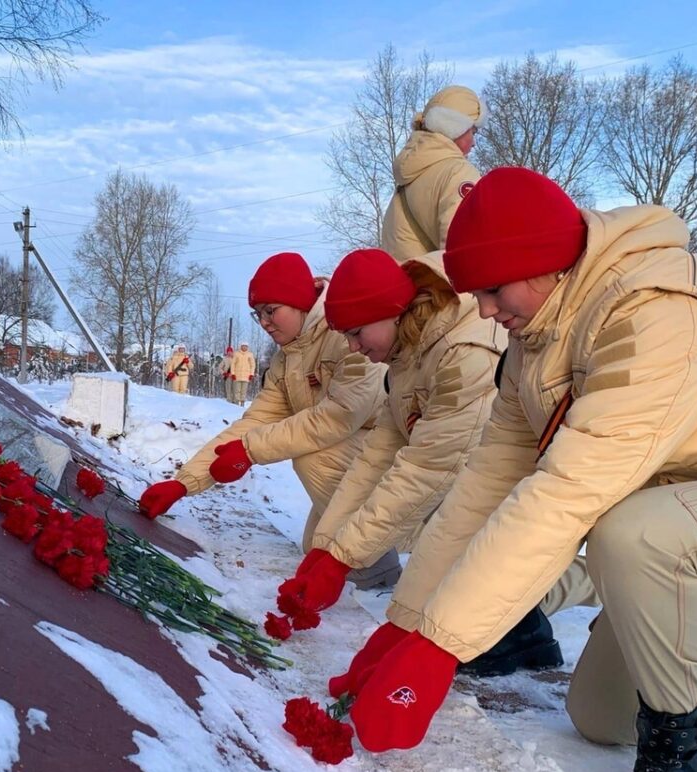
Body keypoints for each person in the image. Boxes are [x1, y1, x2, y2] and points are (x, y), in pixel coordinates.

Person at [333, 167, 697, 772]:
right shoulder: (538, 340)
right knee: (601, 715)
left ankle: (676, 755)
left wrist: (438, 651)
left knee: (630, 532)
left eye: (493, 292)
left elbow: (565, 493)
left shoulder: (656, 317)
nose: (487, 312)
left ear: (542, 266)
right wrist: (407, 624)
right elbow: (484, 485)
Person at [271, 248, 505, 601]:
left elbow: (425, 468)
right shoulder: (408, 351)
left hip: (517, 482)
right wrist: (326, 547)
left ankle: (585, 590)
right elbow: (376, 456)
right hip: (467, 474)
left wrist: (342, 559)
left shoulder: (463, 355)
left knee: (474, 579)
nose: (352, 347)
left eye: (356, 333)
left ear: (390, 313)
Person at [138, 252, 385, 557]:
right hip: (361, 456)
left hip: (398, 453)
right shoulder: (288, 360)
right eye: (258, 314)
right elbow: (254, 422)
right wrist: (184, 483)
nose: (265, 323)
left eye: (271, 310)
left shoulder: (347, 336)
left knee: (313, 458)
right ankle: (359, 551)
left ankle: (377, 560)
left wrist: (251, 450)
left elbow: (338, 417)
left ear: (299, 301)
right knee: (317, 545)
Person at [379, 85, 484, 264]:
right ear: (454, 128)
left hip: (405, 289)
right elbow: (465, 256)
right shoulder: (458, 173)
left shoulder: (409, 175)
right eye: (472, 132)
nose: (474, 143)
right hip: (441, 290)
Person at [228, 341, 256, 405]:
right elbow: (233, 364)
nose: (244, 347)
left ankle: (242, 403)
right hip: (237, 376)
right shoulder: (236, 353)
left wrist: (251, 374)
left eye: (246, 346)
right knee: (237, 390)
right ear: (241, 346)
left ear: (247, 347)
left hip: (246, 376)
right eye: (243, 346)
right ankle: (236, 403)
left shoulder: (250, 354)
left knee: (244, 390)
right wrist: (233, 373)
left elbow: (253, 365)